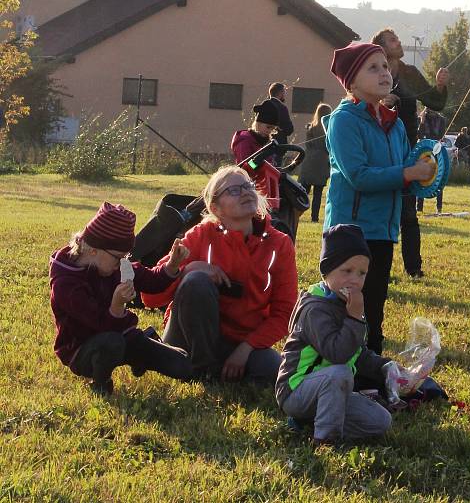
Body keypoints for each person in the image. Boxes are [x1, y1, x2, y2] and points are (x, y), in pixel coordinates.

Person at [325, 42, 435, 354]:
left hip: (384, 232)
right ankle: (339, 365)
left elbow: (404, 173)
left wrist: (426, 176)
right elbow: (358, 175)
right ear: (351, 81)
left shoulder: (396, 123)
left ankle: (371, 365)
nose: (384, 72)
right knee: (345, 306)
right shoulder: (343, 120)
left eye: (385, 66)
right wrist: (408, 173)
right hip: (349, 233)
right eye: (372, 68)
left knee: (374, 305)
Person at [142, 166, 298, 384]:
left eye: (247, 186)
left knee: (274, 370)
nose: (245, 192)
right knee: (195, 281)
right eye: (234, 190)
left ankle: (210, 370)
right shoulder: (200, 234)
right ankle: (202, 371)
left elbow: (285, 313)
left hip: (240, 343)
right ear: (216, 208)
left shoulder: (279, 244)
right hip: (187, 338)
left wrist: (245, 349)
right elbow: (150, 297)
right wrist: (187, 269)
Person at [50, 202, 192, 395]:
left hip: (120, 333)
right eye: (118, 257)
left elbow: (152, 281)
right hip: (83, 349)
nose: (122, 264)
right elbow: (97, 322)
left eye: (125, 257)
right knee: (112, 342)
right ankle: (101, 383)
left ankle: (145, 346)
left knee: (182, 365)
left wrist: (172, 265)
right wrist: (117, 305)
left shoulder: (117, 265)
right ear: (93, 249)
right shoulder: (66, 282)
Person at [275, 224, 394, 445]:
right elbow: (337, 354)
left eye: (361, 273)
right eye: (346, 271)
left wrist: (386, 367)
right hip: (296, 391)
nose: (354, 280)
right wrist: (354, 318)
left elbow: (356, 352)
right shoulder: (315, 308)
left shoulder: (349, 305)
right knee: (339, 373)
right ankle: (326, 440)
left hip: (332, 388)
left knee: (380, 421)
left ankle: (312, 421)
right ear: (327, 271)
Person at [372, 28, 449, 279]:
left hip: (406, 148)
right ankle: (374, 266)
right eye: (393, 40)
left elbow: (435, 103)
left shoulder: (410, 73)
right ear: (382, 48)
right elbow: (359, 102)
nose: (399, 42)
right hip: (379, 148)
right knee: (380, 210)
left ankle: (413, 268)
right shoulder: (371, 72)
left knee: (408, 213)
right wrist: (380, 102)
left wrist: (440, 85)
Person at [298, 103, 332, 223]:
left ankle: (296, 212)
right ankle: (314, 218)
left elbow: (308, 144)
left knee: (303, 191)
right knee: (317, 194)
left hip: (309, 161)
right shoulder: (329, 129)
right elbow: (329, 147)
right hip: (322, 162)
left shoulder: (310, 127)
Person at [417, 107, 448, 214]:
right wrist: (422, 121)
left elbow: (440, 135)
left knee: (438, 177)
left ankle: (439, 207)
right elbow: (419, 135)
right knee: (421, 178)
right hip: (423, 150)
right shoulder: (422, 118)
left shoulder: (441, 120)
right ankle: (419, 207)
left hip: (436, 150)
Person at [231, 98, 280, 165]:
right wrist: (260, 163)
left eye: (272, 129)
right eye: (268, 127)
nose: (269, 131)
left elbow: (270, 162)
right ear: (258, 124)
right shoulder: (244, 141)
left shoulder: (267, 143)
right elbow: (245, 166)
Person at [269, 82, 295, 166]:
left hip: (264, 145)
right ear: (280, 93)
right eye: (284, 92)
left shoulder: (264, 105)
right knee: (275, 170)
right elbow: (289, 129)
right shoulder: (282, 107)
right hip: (278, 146)